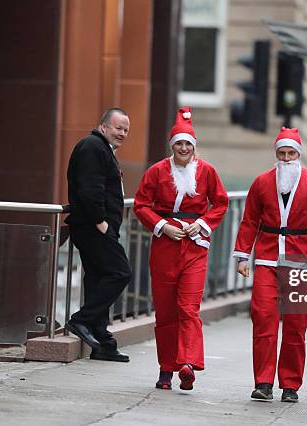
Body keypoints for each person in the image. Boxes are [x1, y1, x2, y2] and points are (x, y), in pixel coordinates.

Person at [233, 127, 307, 403]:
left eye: (292, 153)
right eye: (282, 153)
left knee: (295, 324)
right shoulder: (261, 182)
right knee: (264, 317)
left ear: (299, 154)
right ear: (276, 154)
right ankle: (264, 383)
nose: (287, 158)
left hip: (300, 261)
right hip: (267, 258)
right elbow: (249, 220)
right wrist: (242, 256)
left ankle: (290, 384)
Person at [133, 106, 228, 391]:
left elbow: (220, 203)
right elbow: (141, 205)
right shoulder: (156, 172)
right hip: (165, 246)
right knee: (165, 311)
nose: (184, 148)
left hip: (195, 247)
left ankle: (187, 363)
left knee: (189, 307)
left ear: (194, 147)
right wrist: (162, 226)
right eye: (179, 144)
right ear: (172, 146)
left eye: (188, 143)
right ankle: (165, 369)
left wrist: (202, 224)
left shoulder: (207, 171)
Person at [65, 108, 133, 362]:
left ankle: (102, 341)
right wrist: (100, 221)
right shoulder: (93, 146)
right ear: (103, 126)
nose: (123, 133)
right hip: (93, 227)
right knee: (120, 272)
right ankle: (81, 320)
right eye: (118, 128)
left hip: (97, 227)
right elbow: (89, 187)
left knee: (98, 278)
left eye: (126, 129)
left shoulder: (101, 149)